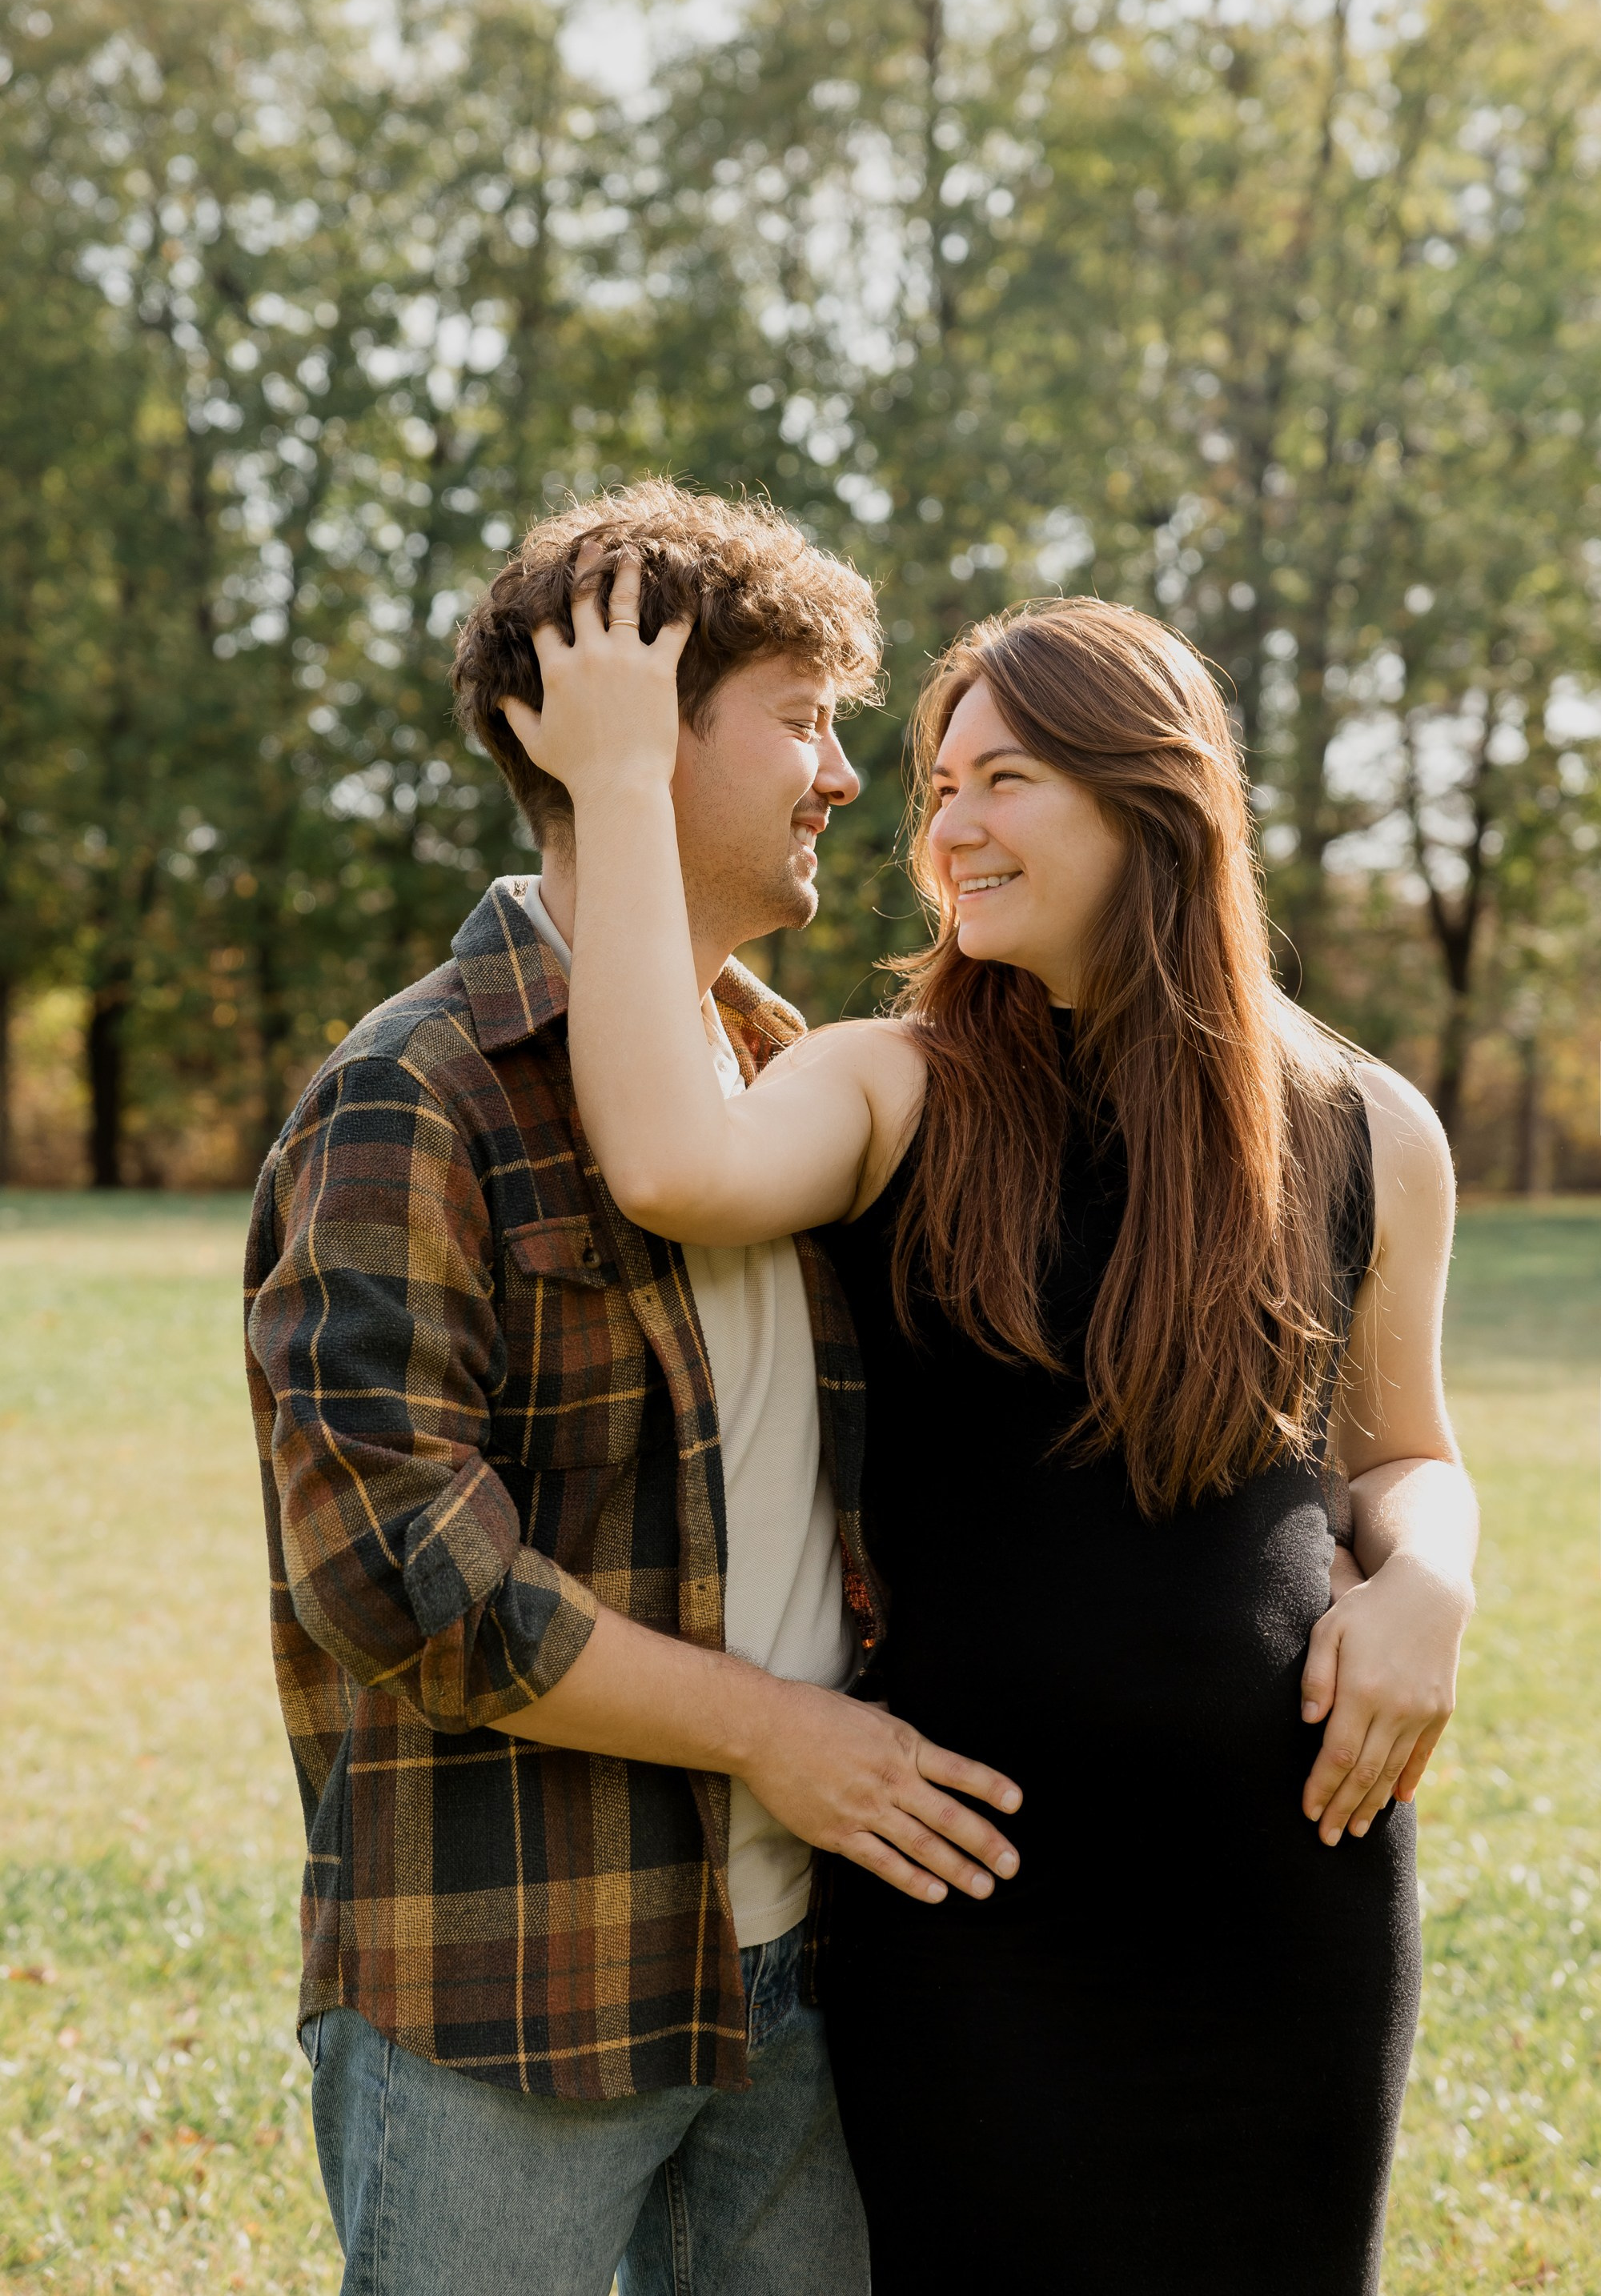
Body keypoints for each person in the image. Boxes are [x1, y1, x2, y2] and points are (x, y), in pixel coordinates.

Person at [508, 567, 1479, 2296]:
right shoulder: (892, 1083)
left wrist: (1433, 1584)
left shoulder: (1366, 1124)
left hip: (1288, 1888)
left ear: (1151, 799)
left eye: (1003, 780)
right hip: (971, 1896)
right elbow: (667, 1161)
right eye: (939, 787)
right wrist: (622, 775)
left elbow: (1401, 1453)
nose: (946, 827)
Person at [243, 481, 1027, 2296]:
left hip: (813, 1968)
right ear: (631, 733)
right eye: (801, 719)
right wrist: (774, 1735)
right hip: (515, 1983)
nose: (844, 778)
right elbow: (402, 1577)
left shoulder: (790, 1077)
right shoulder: (413, 1093)